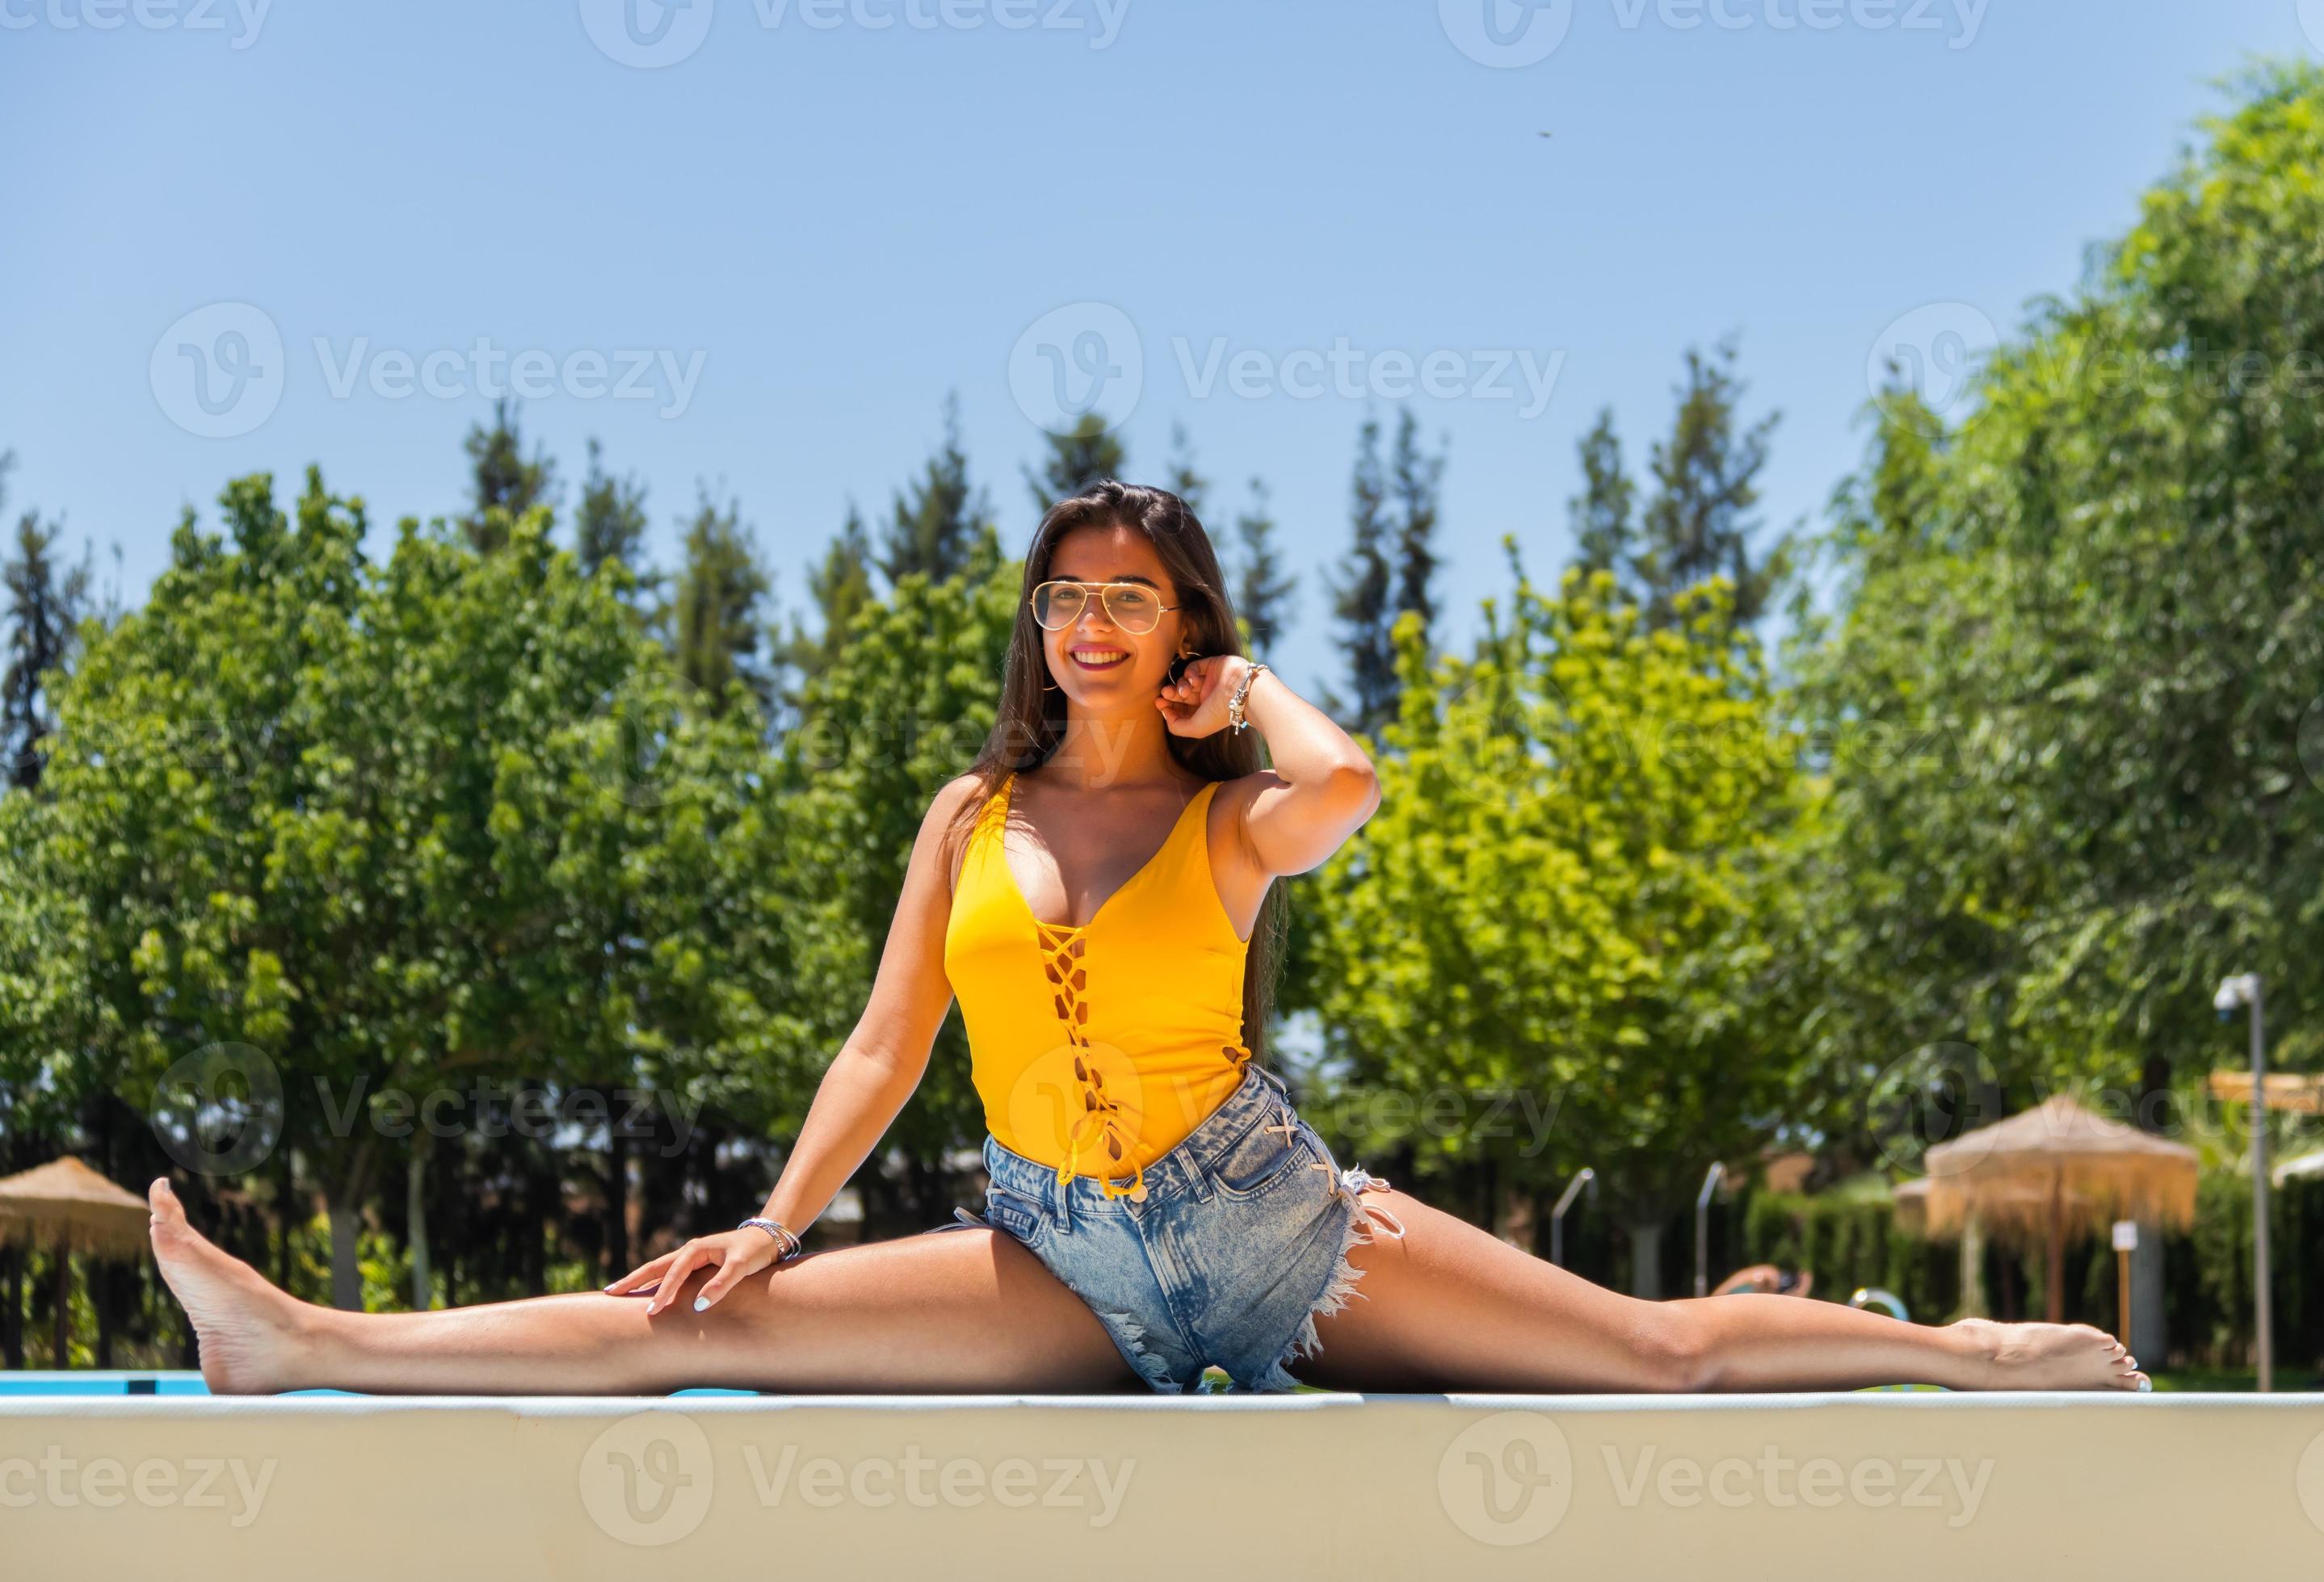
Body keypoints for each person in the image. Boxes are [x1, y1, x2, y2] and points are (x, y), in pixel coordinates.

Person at [144, 481, 2150, 1395]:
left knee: (1645, 1350)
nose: (1085, 622)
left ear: (1177, 626)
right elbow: (879, 1046)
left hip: (1280, 1229)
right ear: (1033, 625)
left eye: (1129, 595)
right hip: (1056, 1259)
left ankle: (1962, 1355)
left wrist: (1250, 686)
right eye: (1061, 594)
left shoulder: (1229, 811)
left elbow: (1351, 784)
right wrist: (775, 1210)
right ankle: (306, 1336)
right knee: (706, 1322)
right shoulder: (970, 816)